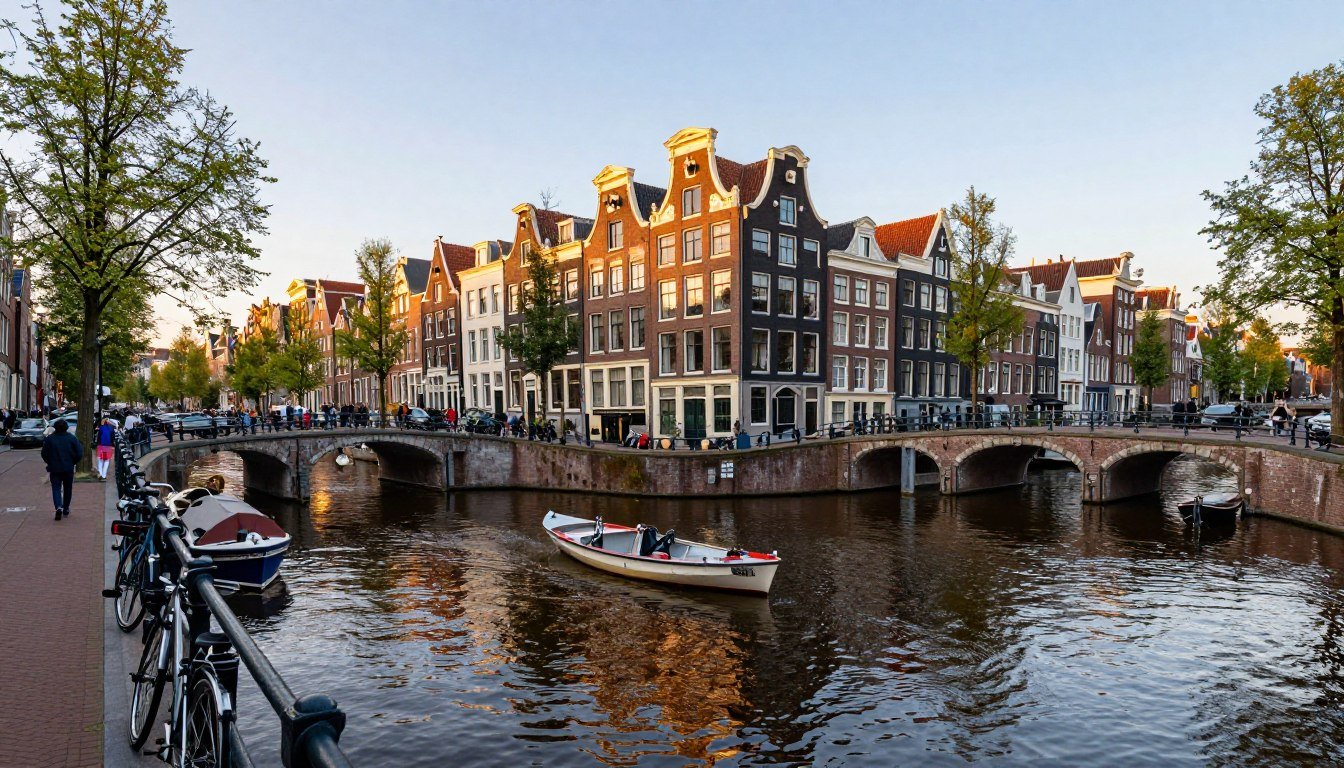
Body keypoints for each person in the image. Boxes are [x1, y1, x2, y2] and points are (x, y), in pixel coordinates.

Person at [41, 419, 82, 521]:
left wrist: (49, 461)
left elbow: (44, 453)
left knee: (56, 488)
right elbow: (79, 453)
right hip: (68, 467)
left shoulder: (50, 439)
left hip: (54, 468)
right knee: (68, 488)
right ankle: (66, 508)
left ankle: (58, 506)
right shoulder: (72, 438)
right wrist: (73, 461)